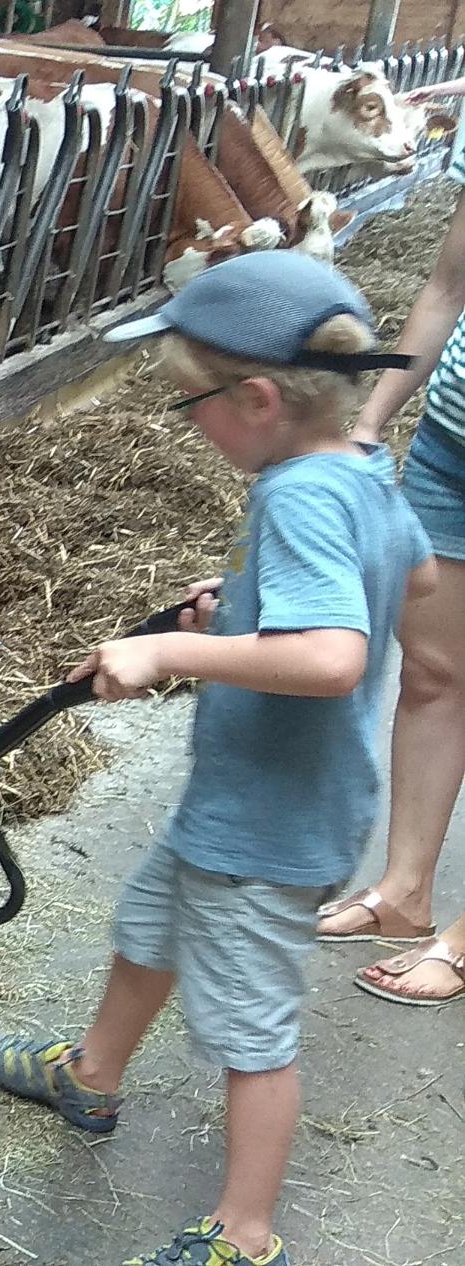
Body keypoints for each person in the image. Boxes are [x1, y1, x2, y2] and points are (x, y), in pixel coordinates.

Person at [0, 252, 432, 1266]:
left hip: (268, 831)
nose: (188, 421)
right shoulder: (359, 469)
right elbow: (416, 573)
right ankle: (90, 1075)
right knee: (148, 928)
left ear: (256, 399)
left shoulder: (299, 497)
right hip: (248, 805)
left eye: (191, 403)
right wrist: (248, 614)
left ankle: (244, 1232)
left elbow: (331, 656)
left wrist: (170, 650)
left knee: (252, 1035)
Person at [318, 140, 465, 1008]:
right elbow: (451, 284)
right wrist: (373, 418)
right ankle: (405, 893)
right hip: (454, 441)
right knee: (435, 671)